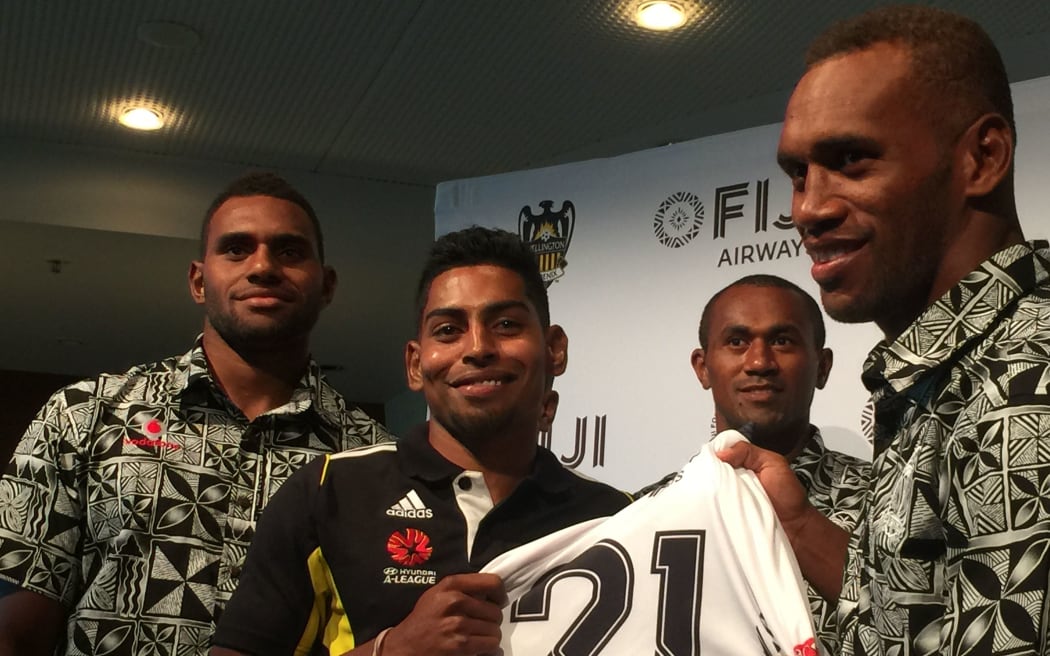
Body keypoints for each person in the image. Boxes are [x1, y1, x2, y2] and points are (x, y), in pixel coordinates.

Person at [722, 5, 1050, 654]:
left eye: (850, 160)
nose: (809, 209)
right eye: (798, 173)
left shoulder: (1022, 387)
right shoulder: (945, 377)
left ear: (982, 158)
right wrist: (795, 521)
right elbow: (912, 616)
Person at [0, 172, 391, 656]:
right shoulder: (85, 415)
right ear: (198, 281)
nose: (263, 266)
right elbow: (15, 628)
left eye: (289, 251)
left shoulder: (374, 458)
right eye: (236, 249)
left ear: (326, 285)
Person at [210, 226, 629, 656]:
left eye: (506, 324)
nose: (478, 348)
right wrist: (393, 649)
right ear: (415, 364)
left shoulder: (617, 521)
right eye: (448, 330)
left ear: (554, 348)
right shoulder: (327, 493)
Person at [638, 273, 869, 650]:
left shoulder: (892, 496)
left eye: (782, 341)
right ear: (702, 367)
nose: (760, 362)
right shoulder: (649, 512)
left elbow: (919, 626)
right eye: (736, 341)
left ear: (822, 367)